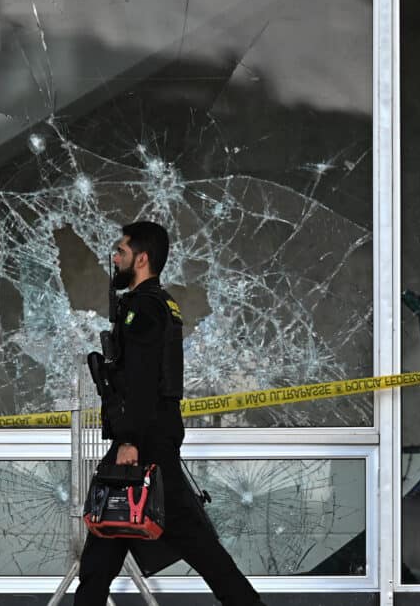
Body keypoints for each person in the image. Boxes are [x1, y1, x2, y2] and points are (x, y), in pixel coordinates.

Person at [75, 220, 266, 606]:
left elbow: (143, 382)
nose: (114, 257)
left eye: (121, 251)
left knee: (199, 549)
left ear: (141, 258)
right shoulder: (154, 303)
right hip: (148, 441)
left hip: (144, 445)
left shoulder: (145, 308)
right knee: (102, 553)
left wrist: (128, 441)